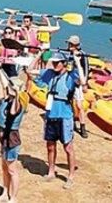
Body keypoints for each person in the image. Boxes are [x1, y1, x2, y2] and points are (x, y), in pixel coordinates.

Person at [32, 52, 80, 189]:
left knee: (68, 147)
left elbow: (82, 81)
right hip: (51, 115)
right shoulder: (49, 73)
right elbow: (30, 70)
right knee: (50, 146)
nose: (54, 65)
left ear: (64, 63)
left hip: (65, 116)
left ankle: (70, 176)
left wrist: (76, 61)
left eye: (57, 62)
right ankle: (51, 172)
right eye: (53, 62)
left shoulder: (70, 76)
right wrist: (39, 53)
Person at [0, 71, 27, 203]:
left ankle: (13, 198)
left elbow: (13, 111)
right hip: (3, 139)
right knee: (4, 168)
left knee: (12, 170)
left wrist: (17, 93)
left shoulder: (18, 103)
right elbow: (3, 82)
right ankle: (4, 193)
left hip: (12, 139)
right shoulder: (6, 99)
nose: (9, 88)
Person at [65, 35, 89, 139]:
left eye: (70, 44)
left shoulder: (82, 55)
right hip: (68, 81)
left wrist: (85, 84)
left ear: (76, 45)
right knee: (69, 103)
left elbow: (86, 69)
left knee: (79, 105)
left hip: (78, 83)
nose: (68, 45)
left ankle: (82, 127)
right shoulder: (68, 53)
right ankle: (72, 123)